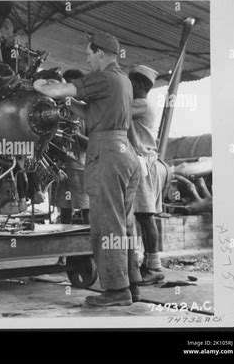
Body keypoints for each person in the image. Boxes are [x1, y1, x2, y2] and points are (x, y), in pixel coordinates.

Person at [34, 31, 141, 306]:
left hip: (106, 152)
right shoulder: (123, 80)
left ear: (101, 53)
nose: (88, 60)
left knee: (106, 225)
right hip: (124, 150)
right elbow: (95, 113)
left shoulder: (103, 77)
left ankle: (116, 291)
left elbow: (54, 91)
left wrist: (37, 82)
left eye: (89, 55)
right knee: (123, 224)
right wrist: (71, 104)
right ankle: (130, 282)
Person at [127, 65, 166, 285]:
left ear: (141, 85)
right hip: (144, 162)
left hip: (144, 163)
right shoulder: (141, 103)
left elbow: (116, 111)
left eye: (131, 83)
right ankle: (148, 264)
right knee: (143, 216)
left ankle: (154, 267)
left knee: (145, 215)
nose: (128, 87)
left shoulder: (140, 104)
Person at [51, 69, 89, 225]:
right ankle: (66, 245)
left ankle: (90, 242)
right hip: (60, 168)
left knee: (87, 208)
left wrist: (73, 133)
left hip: (80, 169)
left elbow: (92, 143)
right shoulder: (53, 108)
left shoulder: (86, 111)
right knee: (64, 210)